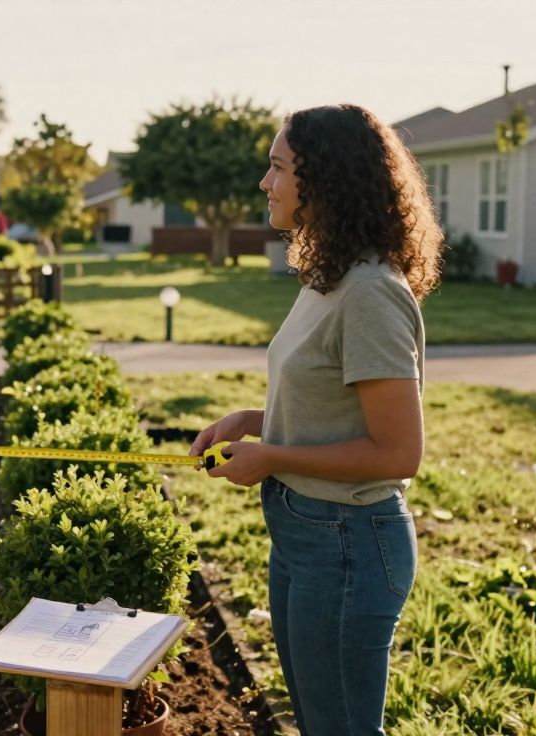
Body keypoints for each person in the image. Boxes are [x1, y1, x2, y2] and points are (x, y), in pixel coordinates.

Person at [189, 104, 443, 735]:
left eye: (276, 167)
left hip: (349, 541)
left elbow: (396, 454)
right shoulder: (327, 277)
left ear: (323, 180)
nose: (263, 183)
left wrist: (273, 456)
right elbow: (332, 401)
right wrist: (256, 419)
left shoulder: (371, 292)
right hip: (306, 533)